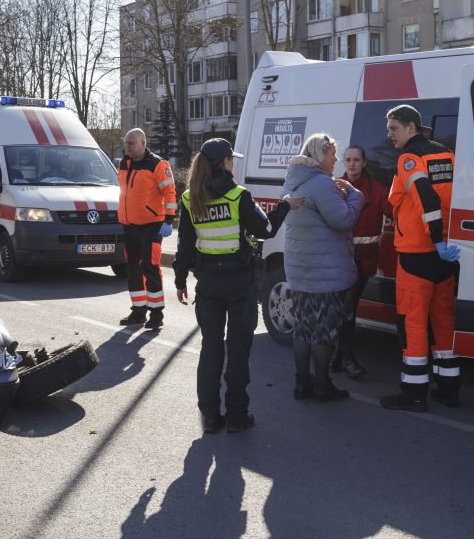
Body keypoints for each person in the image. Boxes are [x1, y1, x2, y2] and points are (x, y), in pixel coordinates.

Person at [173, 138, 300, 434]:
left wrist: (180, 280)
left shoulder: (191, 198)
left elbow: (185, 245)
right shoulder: (238, 196)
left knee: (211, 349)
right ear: (225, 162)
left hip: (208, 284)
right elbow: (266, 230)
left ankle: (209, 416)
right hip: (239, 283)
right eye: (232, 159)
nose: (233, 163)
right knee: (239, 350)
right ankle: (237, 416)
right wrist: (285, 205)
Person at [380, 105, 461, 412]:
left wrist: (436, 238)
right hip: (444, 257)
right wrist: (444, 242)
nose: (389, 135)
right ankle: (449, 387)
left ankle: (413, 392)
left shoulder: (409, 159)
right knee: (443, 322)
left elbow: (426, 196)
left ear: (411, 127)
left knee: (412, 324)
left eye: (394, 128)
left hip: (417, 254)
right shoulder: (445, 154)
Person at [281, 132, 364, 402]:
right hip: (323, 271)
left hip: (299, 269)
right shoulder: (322, 184)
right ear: (320, 155)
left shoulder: (293, 182)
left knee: (303, 328)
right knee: (324, 331)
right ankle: (322, 385)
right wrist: (355, 196)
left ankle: (301, 384)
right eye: (332, 154)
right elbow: (342, 220)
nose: (336, 159)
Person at [332, 145, 390, 379]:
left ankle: (337, 357)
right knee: (346, 312)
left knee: (348, 310)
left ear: (365, 162)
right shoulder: (334, 188)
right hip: (340, 261)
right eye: (348, 160)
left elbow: (395, 209)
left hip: (364, 261)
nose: (352, 164)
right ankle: (346, 358)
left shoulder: (377, 190)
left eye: (357, 159)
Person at [117, 128, 177, 331]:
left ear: (143, 142)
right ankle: (138, 311)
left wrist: (168, 220)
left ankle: (156, 313)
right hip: (129, 224)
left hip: (152, 225)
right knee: (133, 269)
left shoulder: (158, 165)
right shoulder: (124, 163)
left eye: (131, 143)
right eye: (126, 143)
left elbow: (169, 192)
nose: (127, 146)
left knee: (150, 267)